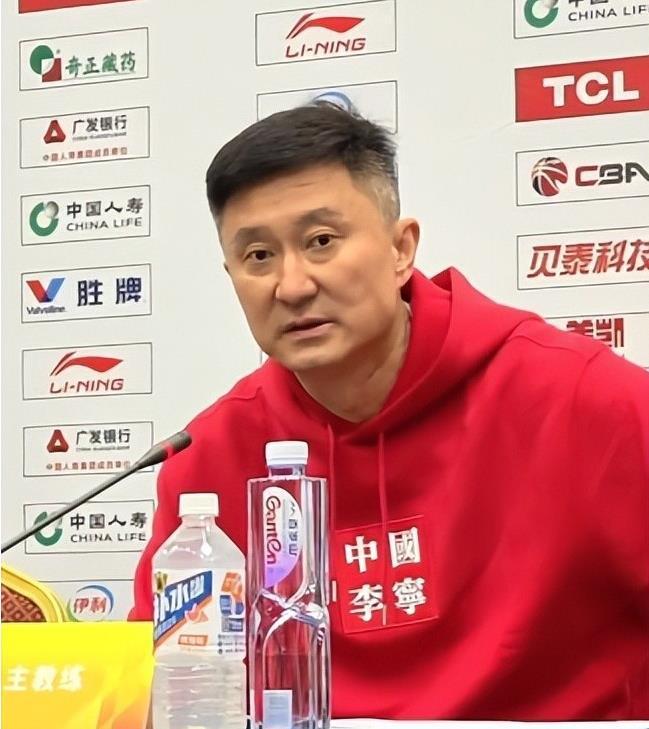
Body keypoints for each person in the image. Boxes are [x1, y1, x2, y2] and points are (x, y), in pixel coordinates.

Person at [130, 103, 649, 720]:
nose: (291, 286)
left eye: (321, 242)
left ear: (402, 249)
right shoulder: (206, 458)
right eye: (258, 256)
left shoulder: (585, 400)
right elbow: (162, 694)